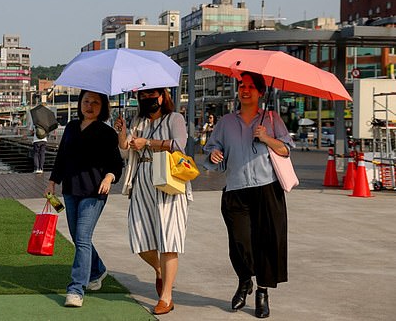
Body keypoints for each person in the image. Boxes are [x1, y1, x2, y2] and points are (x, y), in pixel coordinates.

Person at [203, 71, 294, 319]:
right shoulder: (225, 123)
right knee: (240, 242)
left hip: (267, 189)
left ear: (261, 92)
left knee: (267, 243)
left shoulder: (273, 120)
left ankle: (262, 293)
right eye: (242, 85)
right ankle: (245, 280)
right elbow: (212, 147)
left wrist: (266, 137)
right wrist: (214, 154)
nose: (245, 90)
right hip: (236, 190)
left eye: (251, 86)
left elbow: (286, 150)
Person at [114, 87, 192, 316]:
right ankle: (160, 270)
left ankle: (166, 297)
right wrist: (122, 133)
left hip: (170, 180)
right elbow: (125, 154)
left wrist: (147, 142)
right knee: (139, 238)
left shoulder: (175, 118)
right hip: (142, 180)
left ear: (163, 96)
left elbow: (180, 144)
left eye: (152, 94)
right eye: (143, 95)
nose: (148, 98)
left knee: (169, 239)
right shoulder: (137, 121)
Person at [45, 90, 123, 308]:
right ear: (80, 104)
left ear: (103, 106)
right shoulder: (71, 127)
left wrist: (109, 177)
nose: (89, 106)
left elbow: (117, 163)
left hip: (94, 192)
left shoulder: (107, 133)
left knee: (81, 237)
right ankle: (97, 269)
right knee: (79, 237)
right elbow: (61, 157)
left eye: (95, 102)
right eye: (86, 101)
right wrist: (52, 181)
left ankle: (76, 289)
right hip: (70, 190)